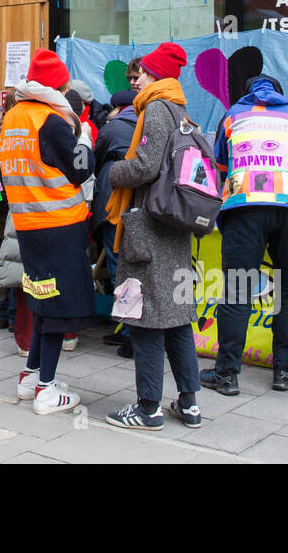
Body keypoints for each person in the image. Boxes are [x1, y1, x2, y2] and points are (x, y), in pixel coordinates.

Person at [201, 64, 288, 396]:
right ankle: (285, 370)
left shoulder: (233, 116)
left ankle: (227, 374)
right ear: (279, 93)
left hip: (245, 208)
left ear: (247, 92)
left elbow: (221, 164)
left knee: (238, 290)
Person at [105, 46, 204, 431]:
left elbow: (145, 166)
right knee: (177, 319)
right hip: (173, 228)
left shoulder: (156, 110)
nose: (138, 80)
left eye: (143, 73)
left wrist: (114, 170)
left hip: (148, 230)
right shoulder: (182, 113)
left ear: (157, 77)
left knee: (143, 317)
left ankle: (148, 408)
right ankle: (190, 404)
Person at [0, 50, 95, 416]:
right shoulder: (51, 121)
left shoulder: (14, 117)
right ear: (59, 85)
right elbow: (80, 169)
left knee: (40, 298)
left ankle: (30, 375)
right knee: (56, 306)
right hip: (59, 225)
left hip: (27, 225)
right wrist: (84, 137)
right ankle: (46, 389)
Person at [93, 88, 138, 356]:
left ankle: (129, 331)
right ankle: (134, 329)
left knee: (118, 264)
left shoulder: (113, 128)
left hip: (114, 204)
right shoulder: (151, 123)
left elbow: (95, 162)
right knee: (136, 267)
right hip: (142, 206)